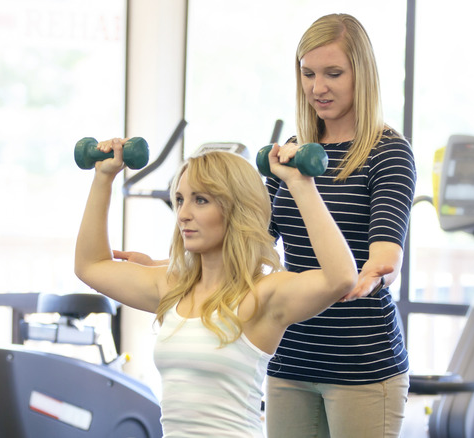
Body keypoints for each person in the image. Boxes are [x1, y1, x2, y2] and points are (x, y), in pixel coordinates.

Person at [74, 141, 382, 437]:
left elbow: (340, 278)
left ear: (236, 209)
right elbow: (91, 266)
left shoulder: (262, 295)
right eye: (180, 199)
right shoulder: (172, 288)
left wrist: (301, 185)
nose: (183, 214)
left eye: (201, 200)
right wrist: (104, 178)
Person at [262, 13, 417, 438]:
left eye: (333, 73)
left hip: (361, 363)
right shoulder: (292, 155)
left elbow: (386, 253)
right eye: (308, 74)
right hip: (289, 356)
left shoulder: (387, 152)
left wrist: (369, 277)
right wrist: (173, 263)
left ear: (360, 74)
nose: (318, 87)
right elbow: (252, 244)